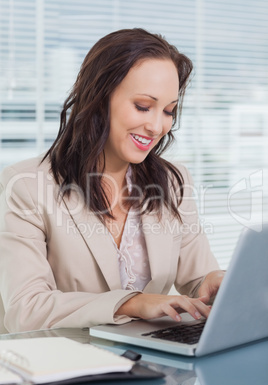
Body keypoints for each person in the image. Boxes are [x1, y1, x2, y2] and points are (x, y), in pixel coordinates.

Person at [0, 28, 224, 334]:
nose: (157, 126)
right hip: (63, 366)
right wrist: (132, 302)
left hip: (150, 364)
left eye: (169, 111)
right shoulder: (24, 186)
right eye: (143, 106)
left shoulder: (173, 182)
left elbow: (197, 277)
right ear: (99, 97)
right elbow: (26, 310)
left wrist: (211, 283)